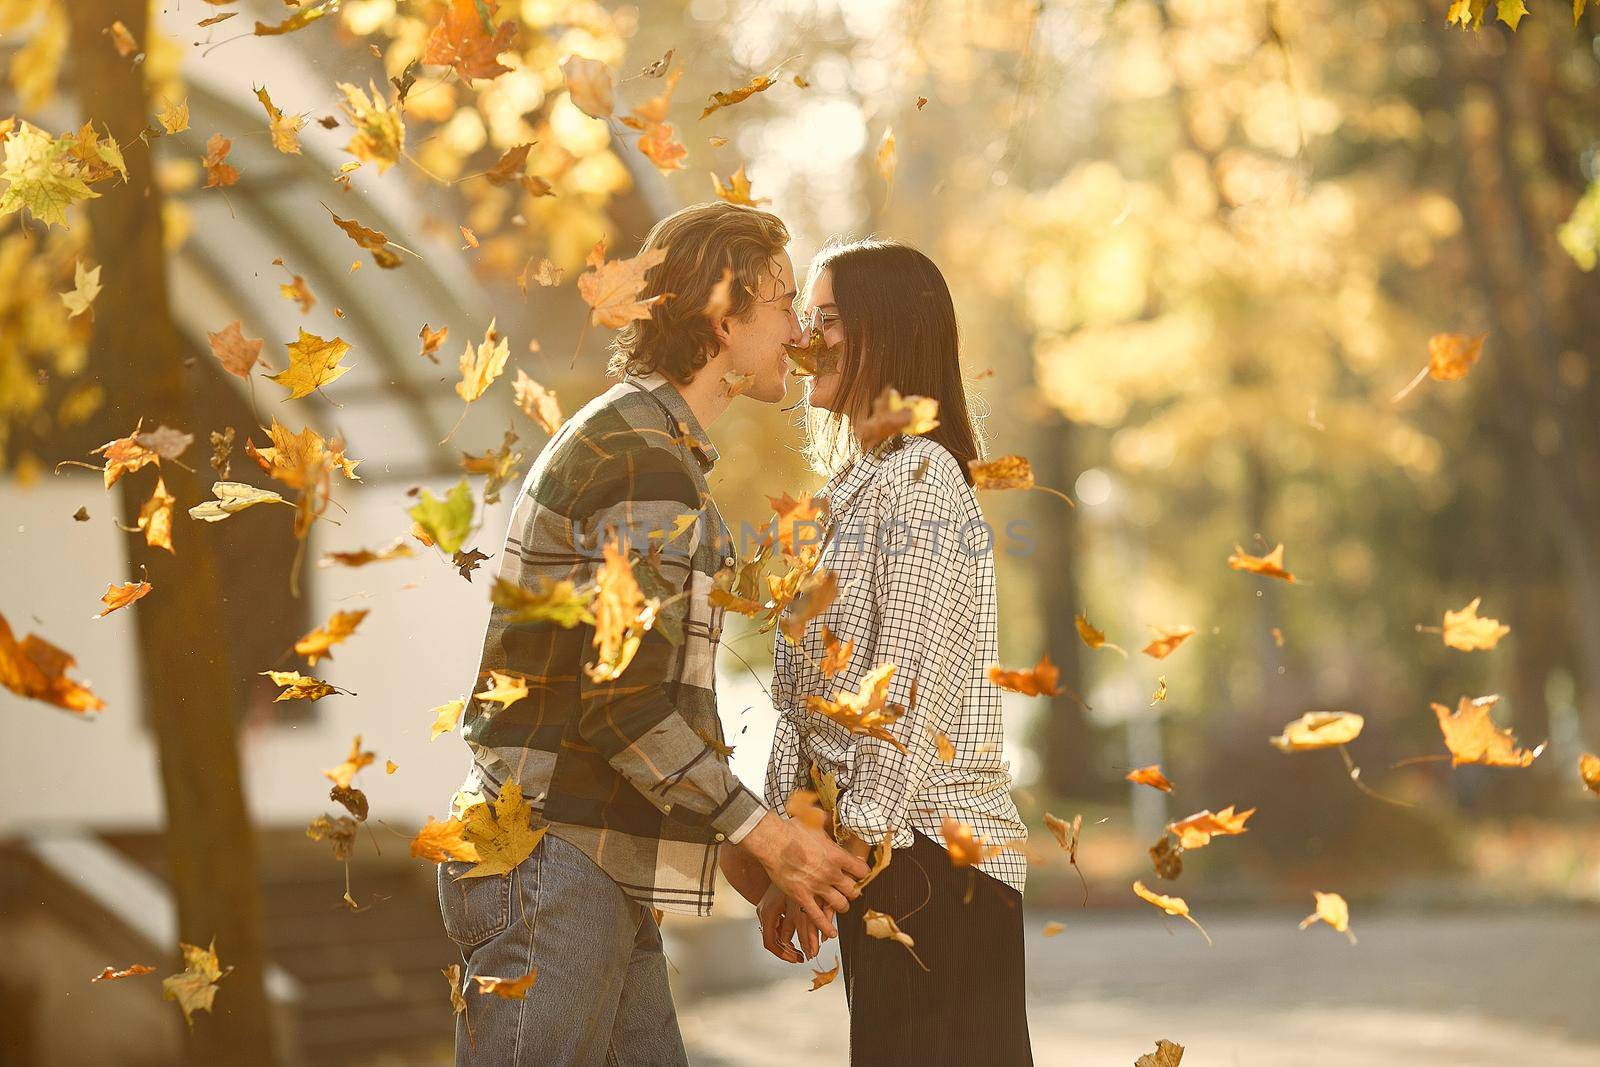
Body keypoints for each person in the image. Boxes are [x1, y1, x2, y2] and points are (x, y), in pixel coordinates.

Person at [436, 202, 870, 1066]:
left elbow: (659, 699)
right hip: (552, 867)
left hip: (588, 863)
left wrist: (747, 863)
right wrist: (769, 836)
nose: (800, 328)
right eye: (783, 302)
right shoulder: (642, 460)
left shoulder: (650, 447)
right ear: (721, 317)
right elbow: (625, 706)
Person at [755, 237, 1035, 1064]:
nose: (808, 339)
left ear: (890, 332)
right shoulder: (855, 491)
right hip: (884, 862)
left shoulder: (921, 479)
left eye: (829, 319)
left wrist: (831, 859)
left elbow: (896, 701)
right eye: (805, 319)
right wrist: (790, 854)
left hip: (933, 866)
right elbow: (807, 709)